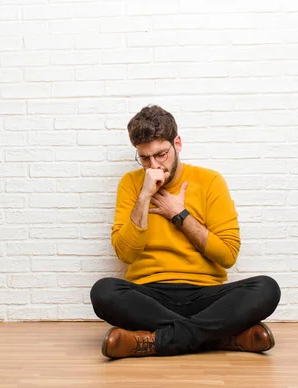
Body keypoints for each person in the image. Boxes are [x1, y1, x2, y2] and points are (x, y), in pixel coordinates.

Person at [90, 105, 281, 359]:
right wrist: (144, 196)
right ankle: (220, 336)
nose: (154, 165)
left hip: (205, 293)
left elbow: (228, 255)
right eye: (145, 158)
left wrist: (180, 215)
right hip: (151, 294)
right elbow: (125, 253)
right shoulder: (130, 184)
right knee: (103, 292)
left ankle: (152, 341)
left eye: (161, 154)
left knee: (267, 288)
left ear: (177, 144)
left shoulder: (210, 181)